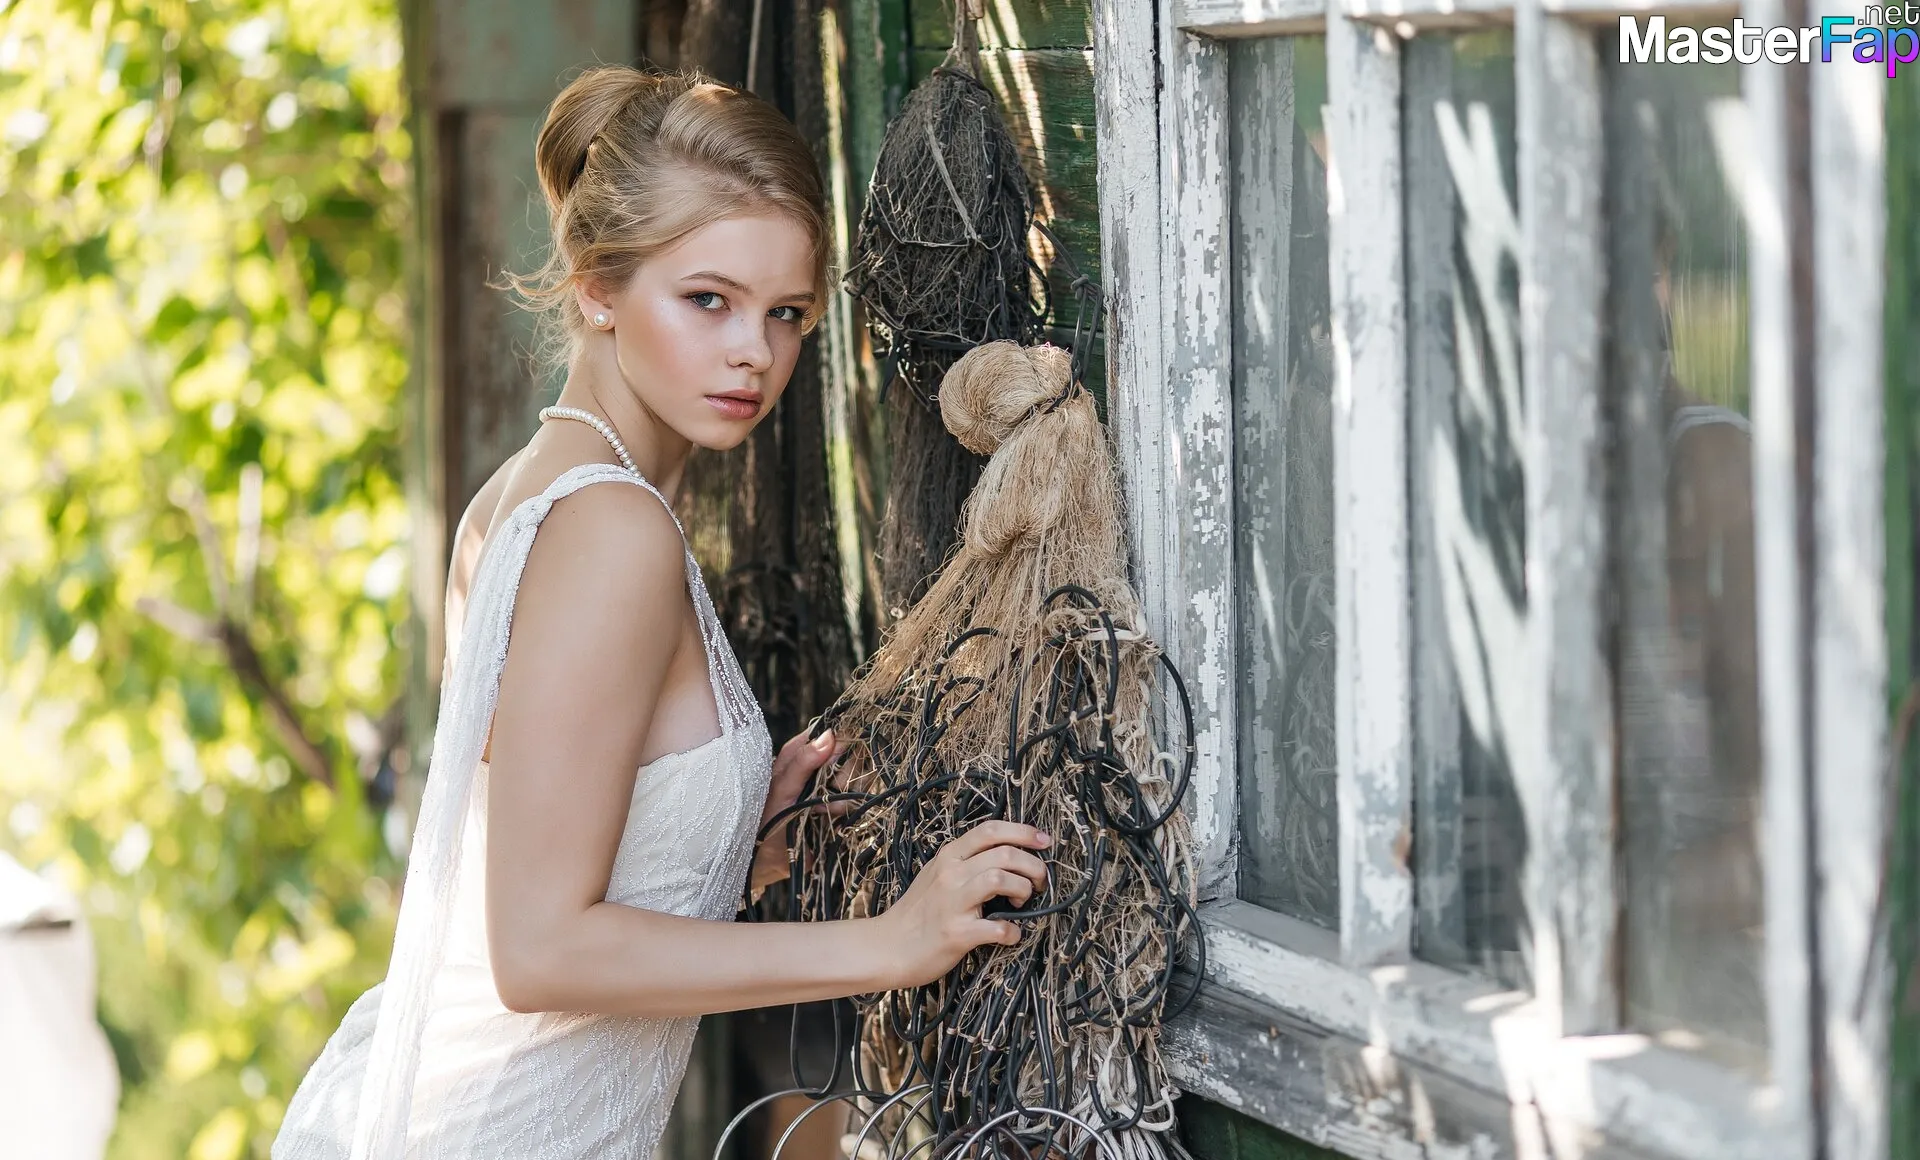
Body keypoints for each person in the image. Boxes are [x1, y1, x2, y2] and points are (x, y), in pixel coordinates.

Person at [272, 65, 1051, 1160]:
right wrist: (890, 940)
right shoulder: (610, 528)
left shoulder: (518, 498)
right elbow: (539, 950)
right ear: (598, 286)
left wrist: (732, 845)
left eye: (786, 314)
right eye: (708, 300)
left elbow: (554, 852)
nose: (754, 352)